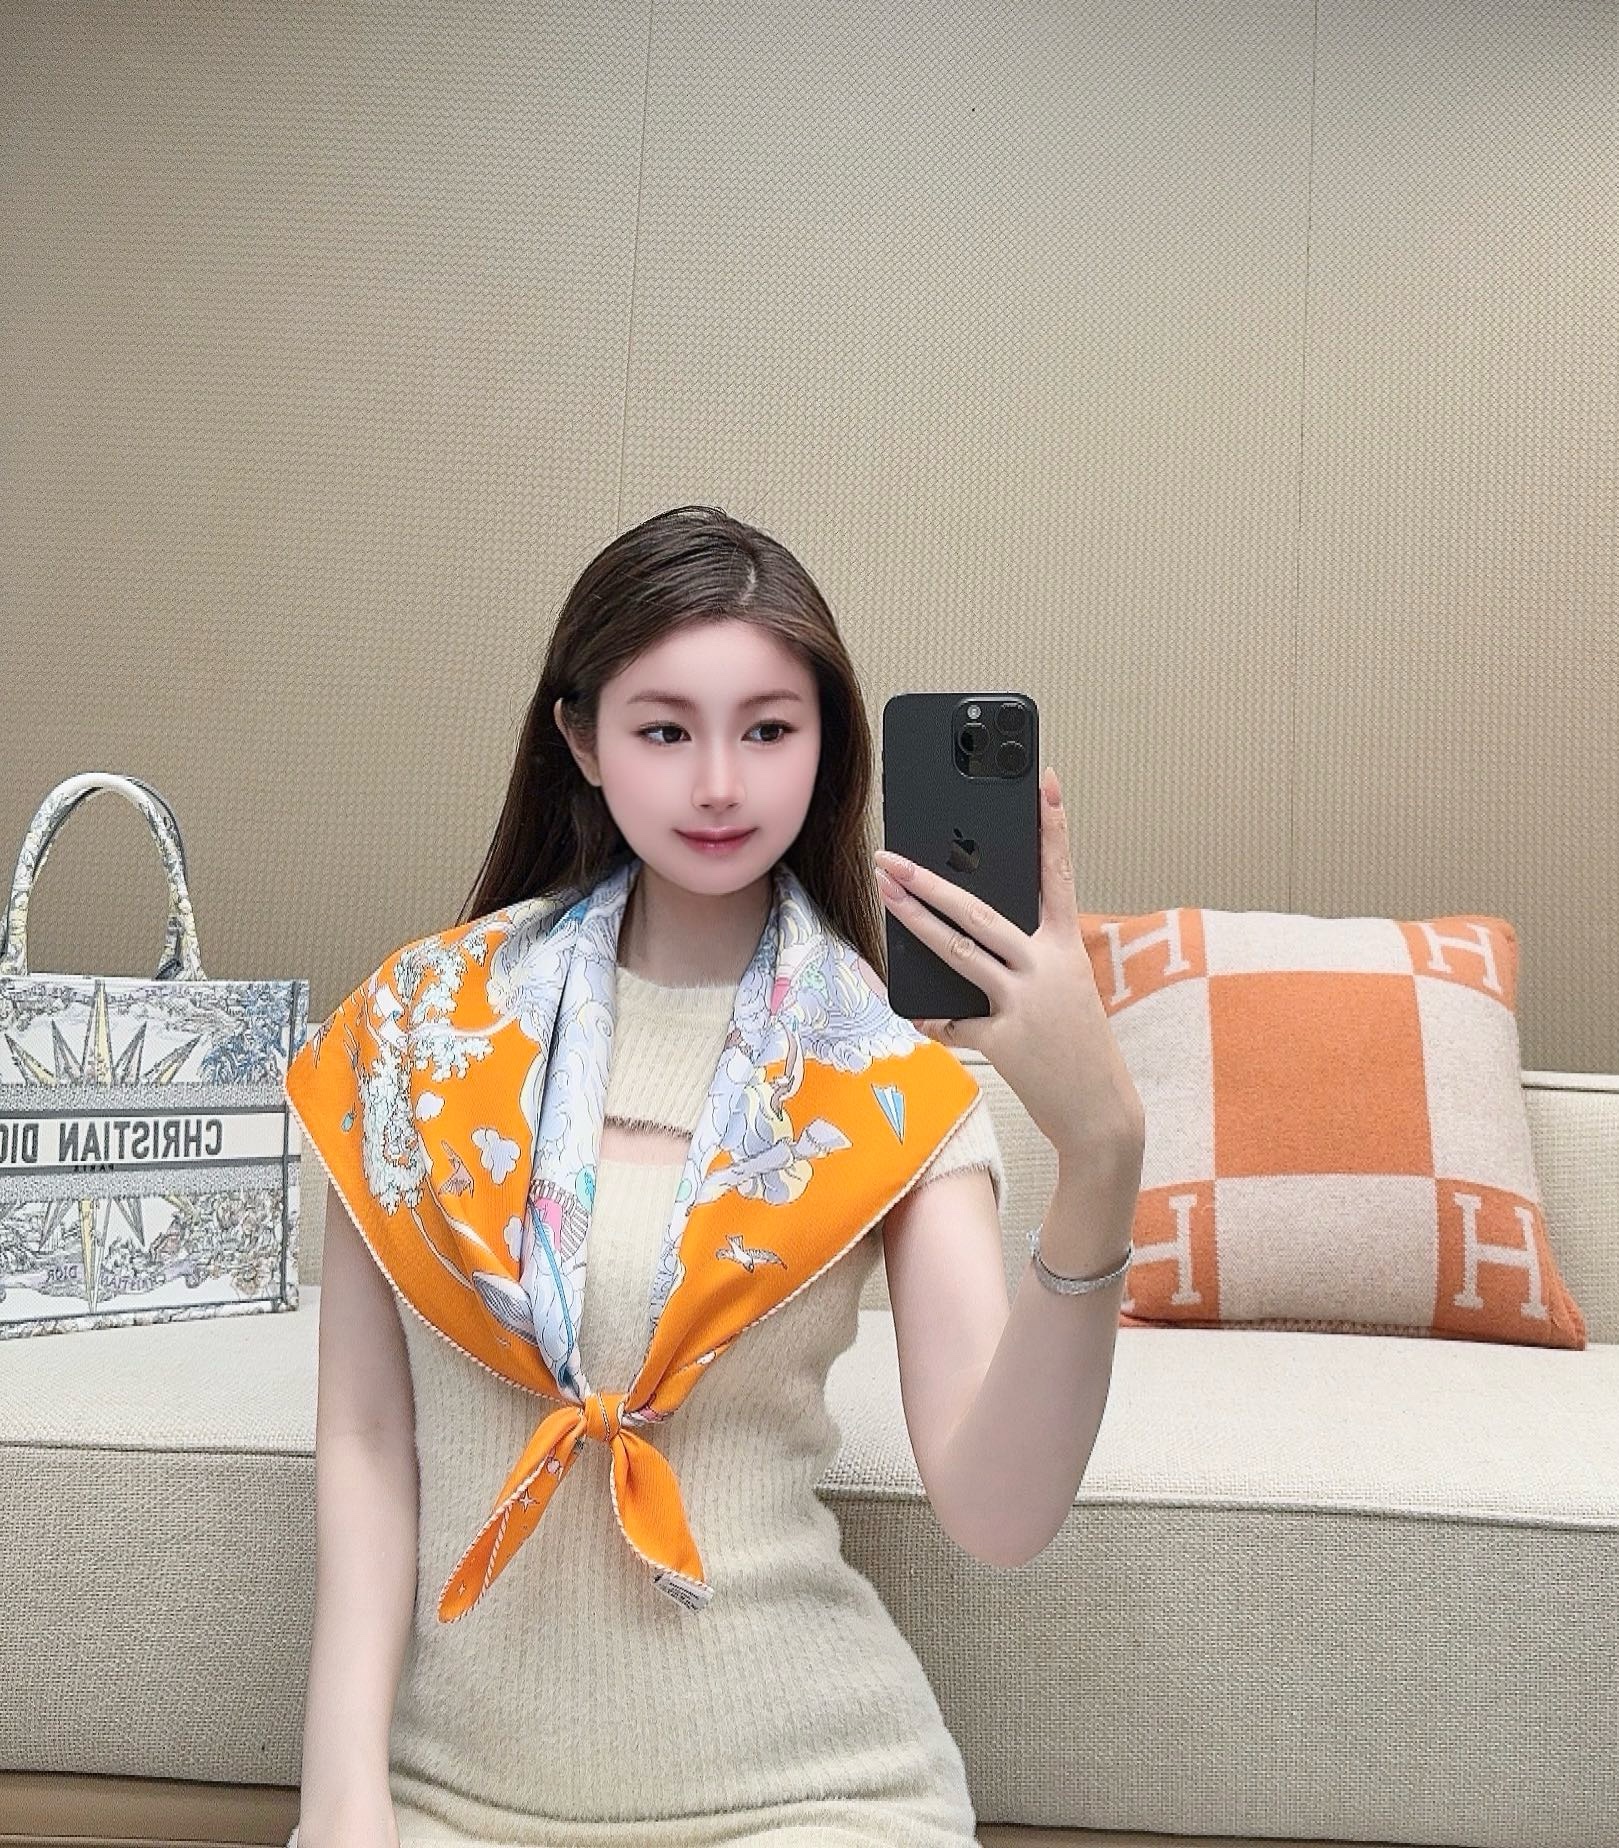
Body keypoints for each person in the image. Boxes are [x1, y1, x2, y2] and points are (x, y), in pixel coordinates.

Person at [288, 505, 1145, 1846]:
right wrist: (342, 1805)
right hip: (449, 1797)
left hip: (813, 1795)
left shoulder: (886, 1072)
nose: (720, 786)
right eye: (664, 730)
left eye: (768, 729)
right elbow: (364, 1438)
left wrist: (1102, 1152)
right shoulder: (413, 1033)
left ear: (827, 747)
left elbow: (998, 1511)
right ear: (580, 740)